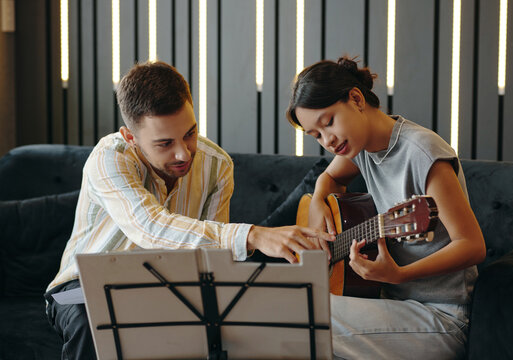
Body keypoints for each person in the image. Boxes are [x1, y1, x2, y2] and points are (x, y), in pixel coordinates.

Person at [44, 61, 333, 360]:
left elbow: (209, 262)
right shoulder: (110, 157)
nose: (183, 152)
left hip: (168, 288)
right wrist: (254, 235)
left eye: (190, 133)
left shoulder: (217, 166)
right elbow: (150, 228)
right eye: (165, 143)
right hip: (80, 288)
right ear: (131, 137)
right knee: (91, 323)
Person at [286, 57, 486, 359]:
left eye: (328, 122)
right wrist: (317, 199)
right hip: (389, 303)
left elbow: (472, 246)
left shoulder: (421, 152)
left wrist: (400, 275)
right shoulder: (361, 146)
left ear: (355, 99)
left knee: (297, 310)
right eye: (316, 135)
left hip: (441, 317)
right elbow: (329, 177)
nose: (328, 140)